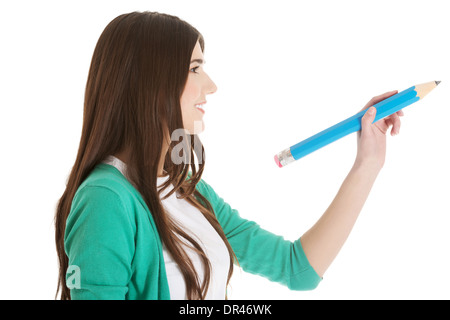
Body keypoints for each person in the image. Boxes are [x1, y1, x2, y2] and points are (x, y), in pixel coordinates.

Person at [54, 11, 404, 300]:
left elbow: (298, 269)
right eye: (194, 68)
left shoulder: (188, 190)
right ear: (149, 81)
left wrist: (368, 163)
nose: (210, 85)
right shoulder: (105, 199)